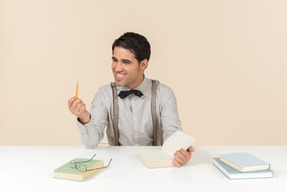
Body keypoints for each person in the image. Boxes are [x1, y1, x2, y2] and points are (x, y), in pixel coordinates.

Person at [68, 32, 195, 167]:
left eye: (126, 62)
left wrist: (180, 152)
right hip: (117, 165)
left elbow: (172, 133)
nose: (117, 68)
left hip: (156, 168)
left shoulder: (164, 93)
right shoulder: (104, 94)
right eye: (115, 60)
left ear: (143, 65)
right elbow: (91, 142)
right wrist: (84, 118)